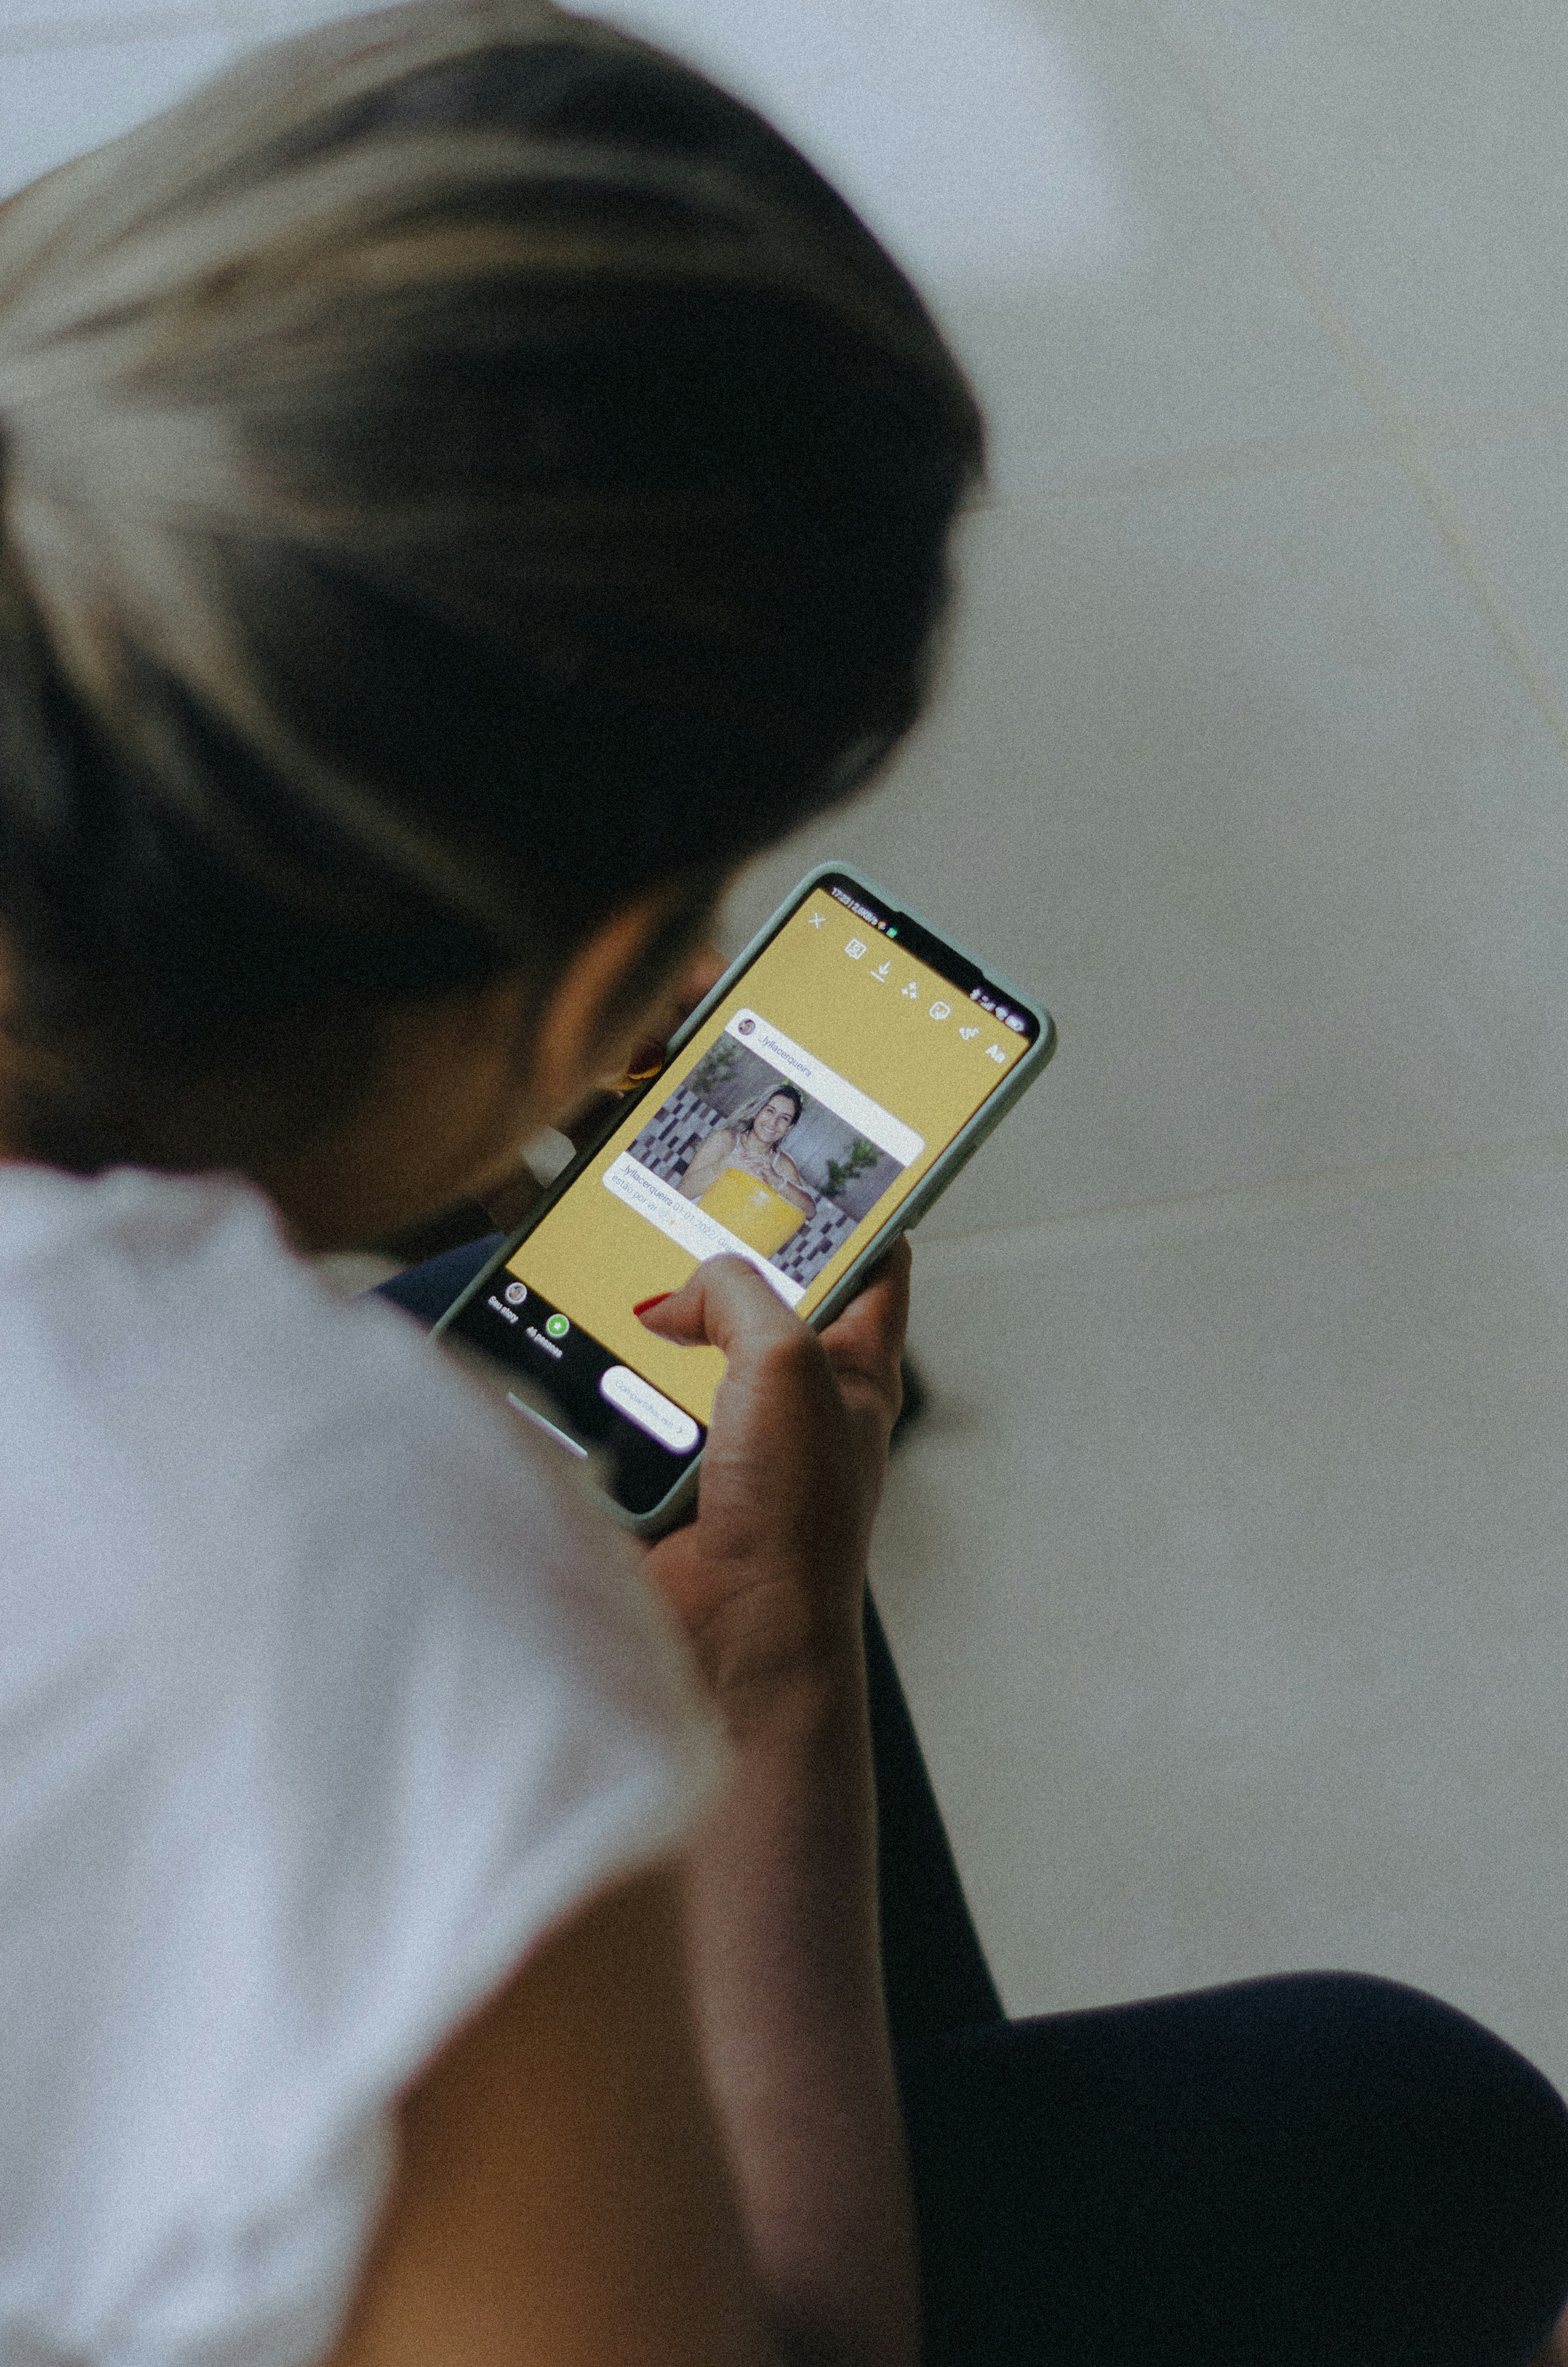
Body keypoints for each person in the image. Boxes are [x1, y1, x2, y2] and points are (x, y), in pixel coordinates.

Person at [0, 5, 1565, 2366]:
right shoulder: (330, 1555)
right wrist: (770, 1663)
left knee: (518, 1333)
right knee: (1399, 2123)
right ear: (607, 979)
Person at [677, 1083, 817, 1215]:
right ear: (758, 1111)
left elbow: (810, 1212)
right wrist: (725, 1164)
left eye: (784, 1119)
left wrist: (777, 1180)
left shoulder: (781, 1164)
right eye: (770, 1111)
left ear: (789, 1128)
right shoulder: (725, 1139)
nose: (773, 1122)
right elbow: (682, 1191)